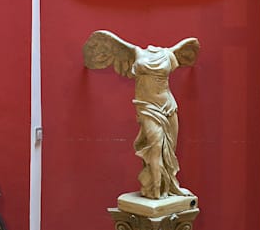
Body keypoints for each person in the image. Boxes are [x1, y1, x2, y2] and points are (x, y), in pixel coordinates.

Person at [83, 30, 199, 199]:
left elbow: (190, 52)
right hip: (147, 106)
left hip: (168, 105)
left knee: (169, 151)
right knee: (156, 147)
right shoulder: (137, 52)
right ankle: (157, 191)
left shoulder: (168, 54)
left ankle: (170, 187)